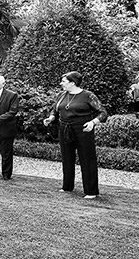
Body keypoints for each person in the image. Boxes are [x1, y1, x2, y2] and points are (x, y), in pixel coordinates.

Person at [42, 71, 108, 199]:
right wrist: (51, 118)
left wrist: (93, 122)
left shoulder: (88, 96)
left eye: (64, 81)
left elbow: (103, 113)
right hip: (65, 128)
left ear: (72, 83)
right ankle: (67, 186)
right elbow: (55, 109)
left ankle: (91, 191)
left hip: (83, 129)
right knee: (67, 158)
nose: (61, 83)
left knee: (87, 159)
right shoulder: (62, 95)